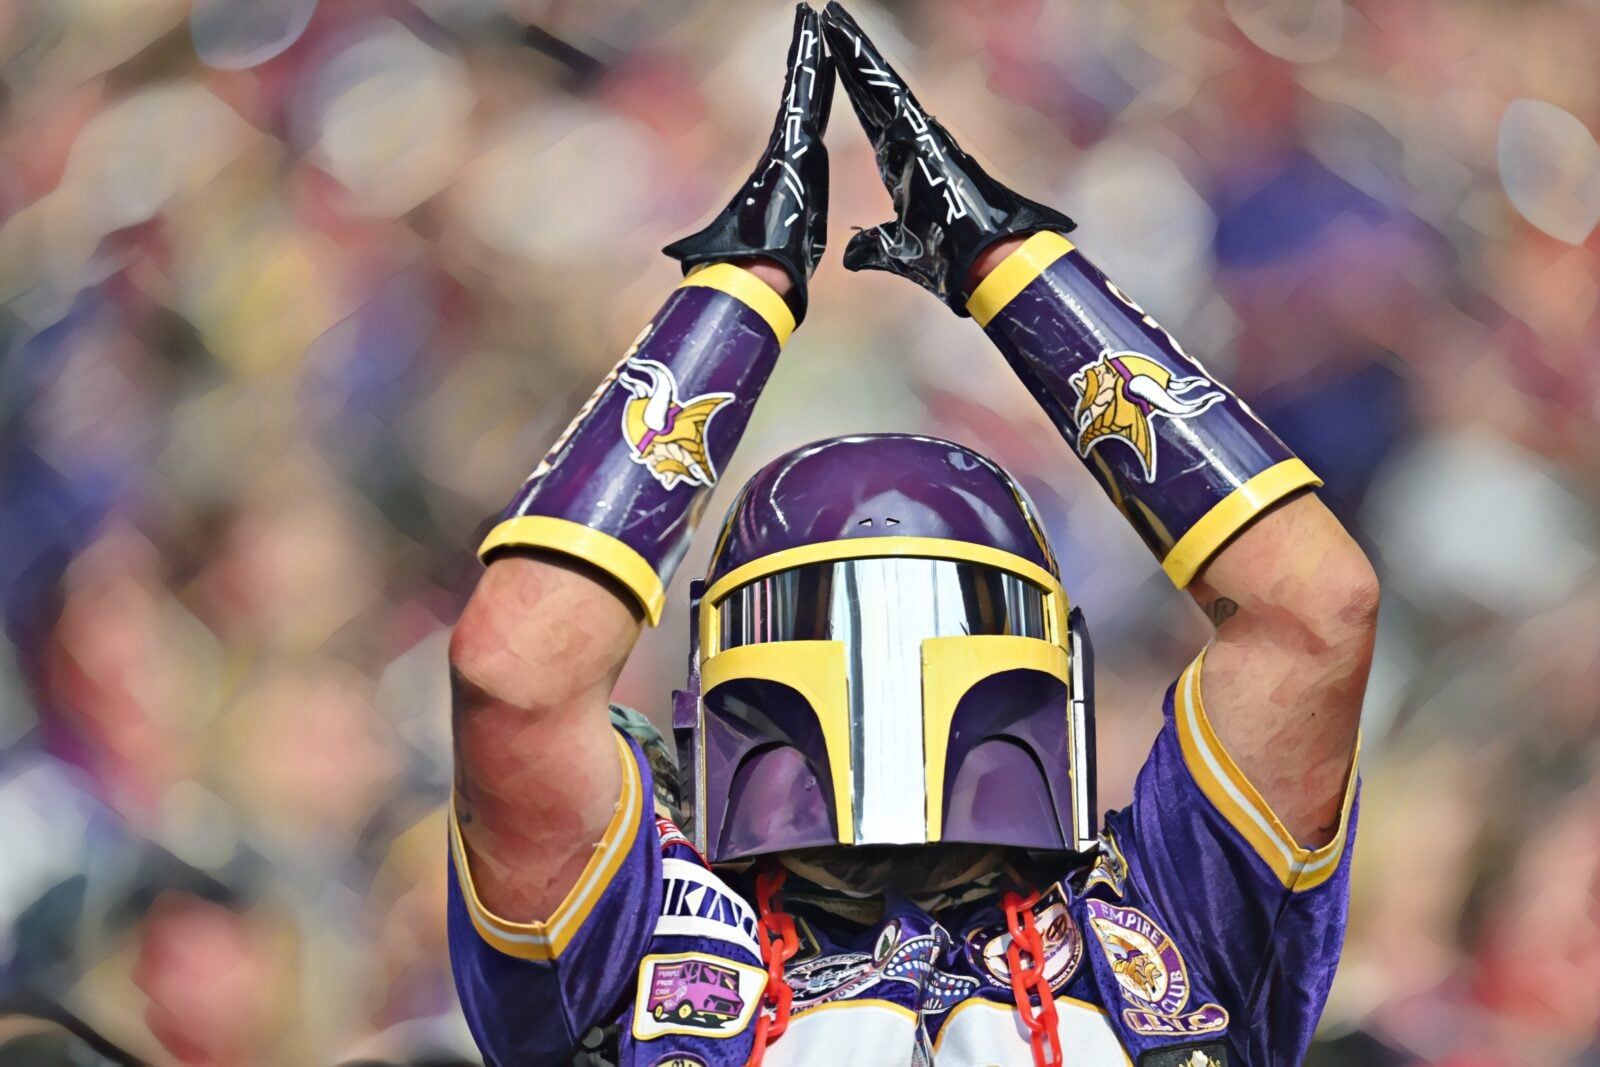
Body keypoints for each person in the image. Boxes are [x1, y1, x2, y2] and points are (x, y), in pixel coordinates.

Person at [445, 5, 1378, 1065]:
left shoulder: (1173, 907)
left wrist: (749, 292)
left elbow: (1314, 608)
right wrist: (1008, 271)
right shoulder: (633, 927)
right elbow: (514, 665)